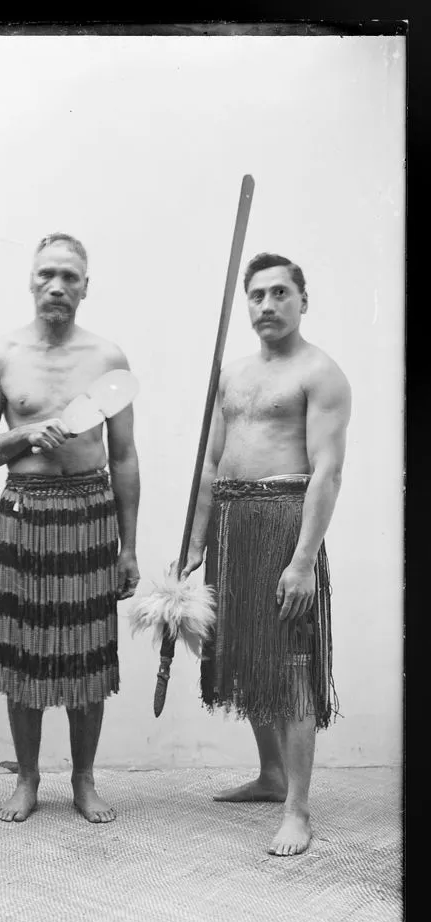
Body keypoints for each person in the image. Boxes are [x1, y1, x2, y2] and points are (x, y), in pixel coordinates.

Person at [0, 233, 140, 824]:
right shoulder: (1, 353)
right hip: (25, 511)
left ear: (86, 286)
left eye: (68, 276)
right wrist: (24, 435)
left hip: (92, 513)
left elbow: (125, 459)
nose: (56, 286)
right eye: (46, 275)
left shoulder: (109, 358)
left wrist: (129, 547)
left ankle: (84, 780)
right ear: (30, 281)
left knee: (87, 652)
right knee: (25, 651)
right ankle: (30, 778)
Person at [182, 252, 351, 856]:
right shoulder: (233, 374)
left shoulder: (320, 373)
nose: (266, 305)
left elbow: (327, 473)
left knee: (289, 666)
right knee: (245, 657)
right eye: (256, 295)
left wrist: (303, 560)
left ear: (304, 300)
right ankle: (270, 773)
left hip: (284, 524)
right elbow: (209, 463)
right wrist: (197, 545)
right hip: (229, 523)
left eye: (280, 293)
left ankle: (298, 809)